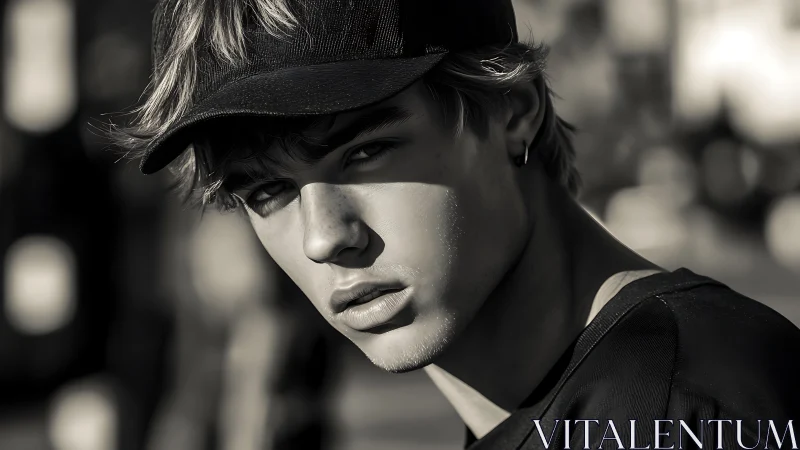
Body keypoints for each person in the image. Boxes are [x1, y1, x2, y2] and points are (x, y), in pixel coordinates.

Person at [111, 0, 800, 448]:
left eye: (363, 152)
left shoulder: (676, 411)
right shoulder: (580, 402)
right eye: (266, 192)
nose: (324, 237)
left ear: (513, 111)